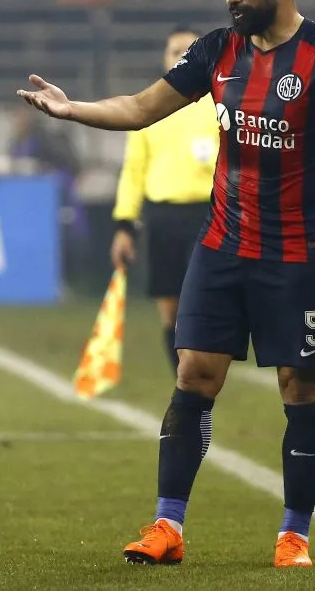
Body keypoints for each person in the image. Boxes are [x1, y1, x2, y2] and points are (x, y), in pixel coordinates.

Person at [18, 0, 315, 569]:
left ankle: (294, 535)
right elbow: (139, 108)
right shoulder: (217, 50)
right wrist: (71, 108)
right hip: (222, 246)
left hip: (298, 254)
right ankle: (167, 527)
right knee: (194, 374)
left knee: (300, 388)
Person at [111, 25, 221, 376]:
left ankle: (201, 375)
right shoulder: (149, 107)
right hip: (162, 218)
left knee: (204, 304)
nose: (181, 57)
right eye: (174, 51)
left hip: (210, 216)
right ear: (164, 57)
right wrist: (124, 225)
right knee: (170, 311)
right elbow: (133, 170)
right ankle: (184, 381)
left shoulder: (221, 104)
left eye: (188, 50)